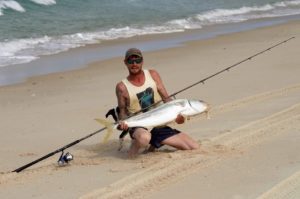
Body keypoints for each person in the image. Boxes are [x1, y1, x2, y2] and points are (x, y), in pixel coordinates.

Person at [116, 48, 199, 157]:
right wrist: (121, 124)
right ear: (125, 62)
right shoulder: (121, 87)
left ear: (142, 61)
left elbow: (167, 99)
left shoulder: (153, 74)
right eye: (131, 61)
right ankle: (135, 147)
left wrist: (178, 115)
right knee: (144, 138)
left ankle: (155, 142)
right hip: (139, 126)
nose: (134, 64)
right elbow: (122, 112)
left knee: (193, 147)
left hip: (158, 122)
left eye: (138, 60)